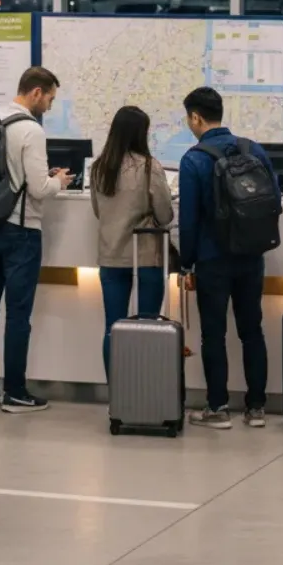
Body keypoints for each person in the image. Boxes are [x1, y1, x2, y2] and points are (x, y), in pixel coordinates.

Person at [0, 67, 74, 414]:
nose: (49, 105)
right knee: (18, 314)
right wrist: (60, 181)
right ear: (36, 93)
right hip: (21, 232)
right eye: (50, 98)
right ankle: (15, 392)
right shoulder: (31, 129)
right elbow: (38, 189)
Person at [177, 86, 276, 429]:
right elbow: (273, 199)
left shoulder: (194, 159)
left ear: (196, 117)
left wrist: (185, 261)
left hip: (212, 259)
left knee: (213, 334)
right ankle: (257, 408)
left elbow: (187, 220)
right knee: (252, 331)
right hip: (251, 256)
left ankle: (218, 408)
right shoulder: (254, 149)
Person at [89, 105, 173, 378]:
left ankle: (118, 397)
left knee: (113, 327)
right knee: (148, 325)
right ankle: (144, 395)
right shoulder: (149, 167)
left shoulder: (99, 168)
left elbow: (98, 211)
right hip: (145, 255)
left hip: (111, 256)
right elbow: (164, 214)